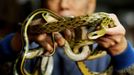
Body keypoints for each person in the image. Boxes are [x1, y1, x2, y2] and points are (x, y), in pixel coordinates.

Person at [0, 0, 134, 75]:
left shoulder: (106, 51)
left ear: (91, 5)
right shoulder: (27, 47)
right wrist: (14, 43)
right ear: (43, 5)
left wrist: (122, 50)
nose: (64, 4)